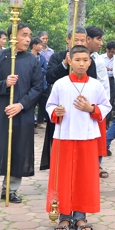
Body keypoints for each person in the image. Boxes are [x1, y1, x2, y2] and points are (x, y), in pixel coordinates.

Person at [0, 22, 44, 207]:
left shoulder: (32, 60)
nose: (28, 39)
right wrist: (4, 83)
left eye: (29, 35)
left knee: (19, 149)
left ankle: (10, 190)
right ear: (13, 36)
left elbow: (38, 87)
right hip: (1, 112)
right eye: (24, 34)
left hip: (22, 112)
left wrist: (21, 105)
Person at [45, 45, 112, 230]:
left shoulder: (96, 85)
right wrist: (55, 112)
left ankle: (80, 215)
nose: (81, 63)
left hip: (87, 137)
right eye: (77, 60)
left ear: (90, 62)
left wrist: (91, 109)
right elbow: (49, 106)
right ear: (70, 61)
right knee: (63, 177)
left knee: (84, 177)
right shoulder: (60, 84)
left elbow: (106, 106)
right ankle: (64, 215)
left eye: (85, 60)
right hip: (64, 136)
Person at [40, 27, 95, 171]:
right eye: (76, 40)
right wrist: (65, 64)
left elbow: (94, 84)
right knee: (59, 141)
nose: (79, 43)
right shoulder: (57, 57)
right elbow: (50, 76)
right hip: (62, 110)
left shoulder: (89, 61)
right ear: (68, 39)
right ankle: (59, 168)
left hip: (82, 108)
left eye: (82, 40)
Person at [85, 26, 110, 175]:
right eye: (98, 39)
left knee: (98, 135)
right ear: (89, 39)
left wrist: (105, 103)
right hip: (82, 103)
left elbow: (104, 83)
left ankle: (97, 164)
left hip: (98, 104)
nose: (101, 43)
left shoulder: (98, 59)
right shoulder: (78, 57)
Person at [30, 37, 49, 128]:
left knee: (43, 102)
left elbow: (45, 69)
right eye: (40, 45)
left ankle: (39, 122)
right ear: (34, 46)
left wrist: (37, 70)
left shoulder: (42, 58)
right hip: (31, 84)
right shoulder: (28, 56)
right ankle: (30, 123)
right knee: (31, 104)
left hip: (42, 84)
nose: (41, 46)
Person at [104, 41, 115, 111]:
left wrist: (114, 69)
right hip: (104, 78)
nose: (111, 53)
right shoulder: (101, 58)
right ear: (106, 49)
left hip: (112, 79)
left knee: (111, 98)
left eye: (112, 52)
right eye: (109, 51)